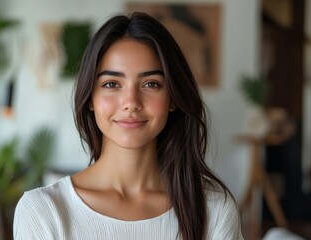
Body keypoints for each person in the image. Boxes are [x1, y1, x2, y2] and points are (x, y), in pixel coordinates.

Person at [13, 12, 243, 240]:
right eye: (112, 84)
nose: (131, 102)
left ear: (172, 98)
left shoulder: (214, 208)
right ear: (90, 98)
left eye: (151, 84)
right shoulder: (42, 212)